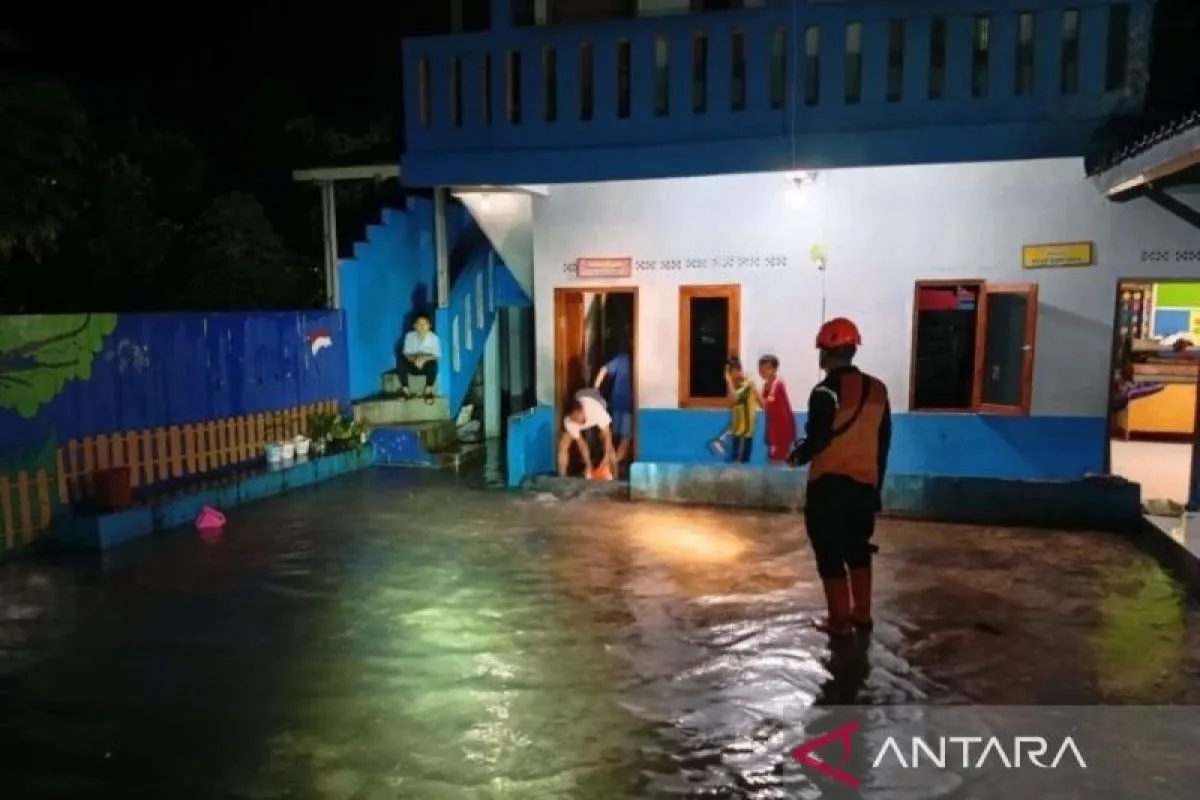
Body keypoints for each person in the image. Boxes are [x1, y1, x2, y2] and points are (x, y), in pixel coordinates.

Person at [787, 318, 892, 637]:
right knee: (858, 548)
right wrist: (876, 489)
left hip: (829, 485)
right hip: (864, 484)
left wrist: (797, 457)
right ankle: (862, 614)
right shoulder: (879, 389)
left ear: (826, 352)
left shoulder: (825, 391)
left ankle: (839, 621)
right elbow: (883, 443)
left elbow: (818, 438)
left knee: (829, 551)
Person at [709, 356, 761, 463]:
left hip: (744, 434)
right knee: (737, 462)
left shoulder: (747, 385)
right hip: (738, 433)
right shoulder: (736, 386)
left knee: (739, 463)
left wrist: (728, 381)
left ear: (736, 370)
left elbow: (734, 398)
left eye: (728, 372)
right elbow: (731, 403)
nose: (726, 375)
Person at [558, 388, 618, 478]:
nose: (575, 421)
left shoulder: (596, 411)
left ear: (581, 411)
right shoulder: (569, 421)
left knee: (609, 446)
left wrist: (606, 457)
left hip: (597, 400)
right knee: (563, 444)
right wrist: (588, 465)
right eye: (572, 419)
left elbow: (607, 435)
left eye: (576, 418)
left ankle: (615, 475)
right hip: (579, 395)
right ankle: (562, 476)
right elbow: (581, 444)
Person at [593, 345, 633, 465]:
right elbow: (604, 369)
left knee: (613, 435)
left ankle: (611, 461)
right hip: (628, 405)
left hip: (618, 402)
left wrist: (594, 389)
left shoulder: (622, 359)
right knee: (625, 437)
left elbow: (603, 370)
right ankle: (613, 462)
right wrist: (594, 391)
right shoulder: (627, 359)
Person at [758, 354, 796, 464]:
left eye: (767, 368)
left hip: (781, 432)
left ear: (775, 369)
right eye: (761, 368)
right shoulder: (766, 386)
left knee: (778, 462)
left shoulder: (778, 383)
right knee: (772, 461)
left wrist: (754, 390)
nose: (763, 371)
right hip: (772, 430)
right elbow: (764, 406)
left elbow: (766, 404)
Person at [400, 315, 440, 403]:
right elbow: (406, 353)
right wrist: (415, 360)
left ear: (429, 326)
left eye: (424, 324)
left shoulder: (434, 337)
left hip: (426, 366)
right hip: (413, 365)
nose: (422, 326)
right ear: (414, 326)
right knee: (401, 360)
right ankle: (406, 391)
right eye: (419, 324)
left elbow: (436, 355)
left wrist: (424, 359)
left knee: (433, 363)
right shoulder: (409, 336)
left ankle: (428, 391)